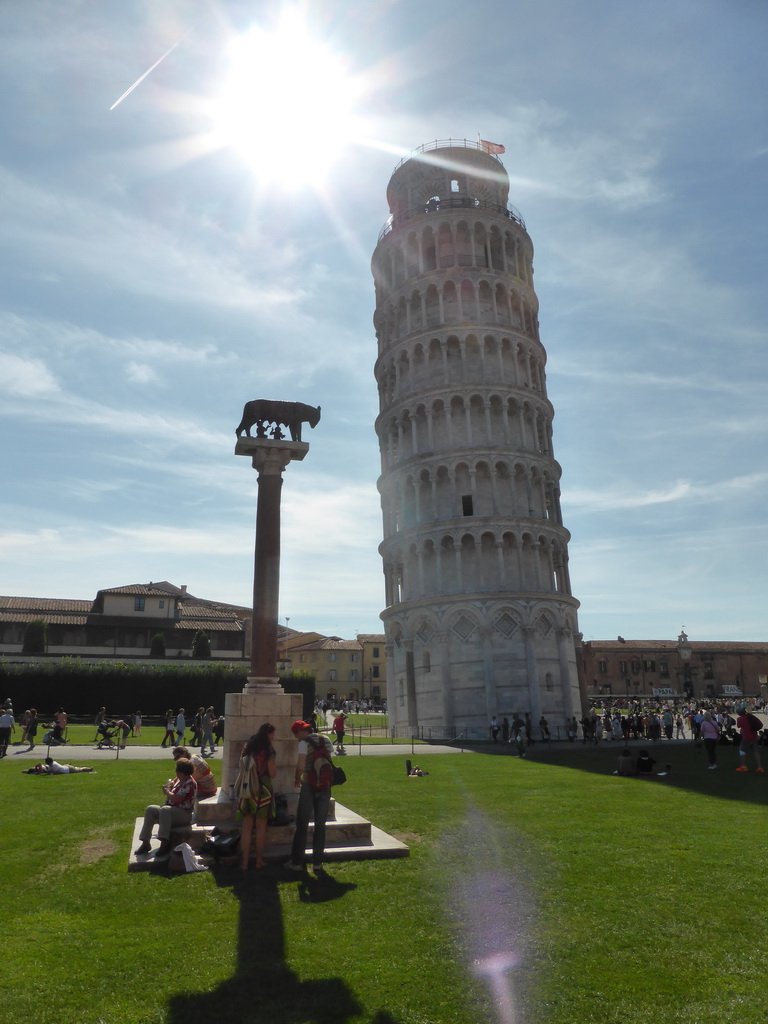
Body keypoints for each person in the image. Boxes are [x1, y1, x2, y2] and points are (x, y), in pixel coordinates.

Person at [286, 720, 335, 873]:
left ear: (301, 731)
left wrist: (296, 778)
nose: (296, 738)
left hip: (308, 784)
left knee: (302, 823)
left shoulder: (304, 743)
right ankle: (317, 863)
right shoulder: (326, 739)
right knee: (320, 825)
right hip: (325, 786)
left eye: (296, 734)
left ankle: (297, 862)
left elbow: (301, 764)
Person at [135, 758, 197, 860]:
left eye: (177, 770)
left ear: (182, 772)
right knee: (151, 809)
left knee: (165, 810)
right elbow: (171, 790)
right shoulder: (178, 780)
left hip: (183, 814)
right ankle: (145, 842)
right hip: (170, 811)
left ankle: (164, 842)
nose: (175, 772)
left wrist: (168, 792)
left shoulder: (190, 783)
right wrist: (167, 788)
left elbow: (177, 799)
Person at [234, 725, 276, 870]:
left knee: (246, 827)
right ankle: (258, 861)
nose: (273, 738)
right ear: (268, 734)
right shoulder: (268, 750)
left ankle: (245, 863)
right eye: (272, 735)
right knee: (260, 828)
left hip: (247, 789)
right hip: (263, 789)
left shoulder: (248, 748)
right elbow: (272, 773)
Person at [736, 707, 764, 772]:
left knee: (742, 750)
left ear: (739, 713)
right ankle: (760, 767)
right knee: (755, 751)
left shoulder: (740, 719)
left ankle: (743, 766)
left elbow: (739, 726)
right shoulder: (750, 716)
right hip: (754, 735)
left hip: (746, 737)